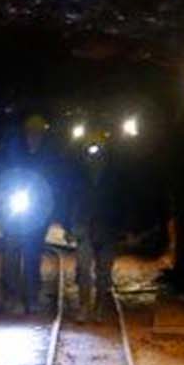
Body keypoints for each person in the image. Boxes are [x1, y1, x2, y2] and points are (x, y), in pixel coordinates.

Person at [0, 114, 61, 314]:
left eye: (38, 133)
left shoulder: (50, 155)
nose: (34, 137)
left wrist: (50, 207)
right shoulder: (13, 153)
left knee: (33, 255)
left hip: (37, 213)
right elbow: (2, 173)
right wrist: (0, 192)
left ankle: (32, 296)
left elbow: (55, 181)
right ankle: (11, 295)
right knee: (11, 252)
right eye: (31, 133)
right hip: (13, 209)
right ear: (25, 133)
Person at [68, 135, 122, 321]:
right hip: (84, 227)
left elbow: (123, 202)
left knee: (104, 271)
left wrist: (123, 228)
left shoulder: (114, 176)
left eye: (98, 152)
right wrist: (69, 227)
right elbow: (70, 201)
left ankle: (100, 306)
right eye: (90, 153)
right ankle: (84, 305)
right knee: (83, 268)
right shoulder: (77, 175)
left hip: (107, 228)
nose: (94, 157)